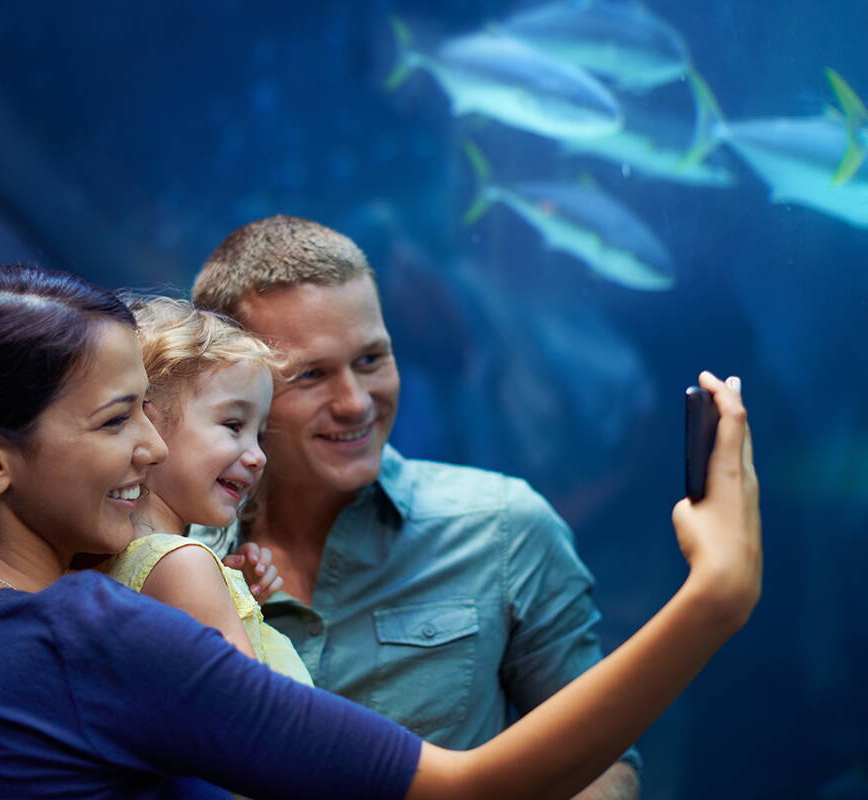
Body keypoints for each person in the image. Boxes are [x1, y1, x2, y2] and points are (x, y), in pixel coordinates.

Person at [0, 263, 760, 800]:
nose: (153, 445)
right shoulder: (94, 635)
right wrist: (715, 597)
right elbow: (467, 789)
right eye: (118, 419)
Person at [189, 216, 639, 795]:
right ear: (233, 384)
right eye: (312, 375)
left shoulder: (505, 529)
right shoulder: (167, 554)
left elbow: (603, 759)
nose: (355, 402)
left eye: (371, 360)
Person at [98, 294, 311, 683]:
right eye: (233, 425)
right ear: (148, 421)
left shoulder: (124, 560)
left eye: (259, 434)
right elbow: (256, 711)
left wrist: (236, 602)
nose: (258, 457)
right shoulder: (181, 563)